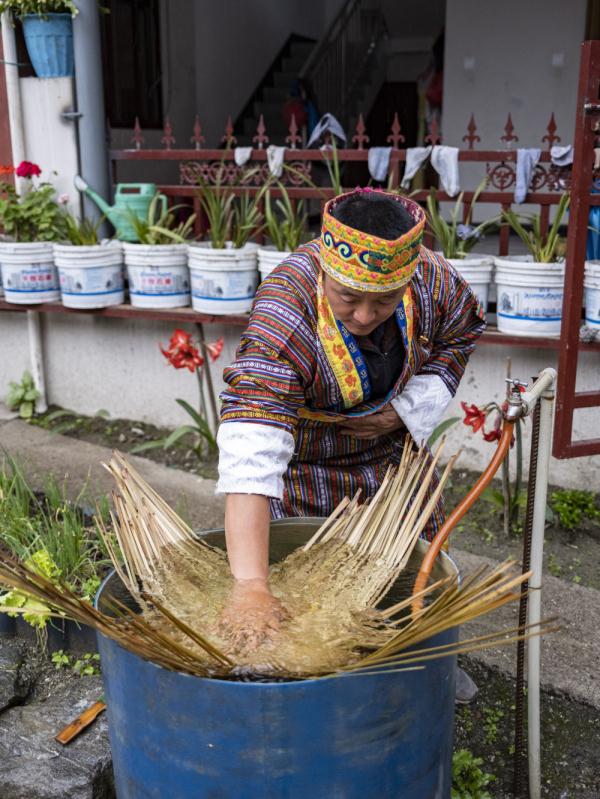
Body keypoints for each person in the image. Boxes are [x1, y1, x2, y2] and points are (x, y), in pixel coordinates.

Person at [216, 188, 485, 650]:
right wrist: (250, 587)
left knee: (414, 578)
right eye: (348, 298)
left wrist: (403, 413)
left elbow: (462, 331)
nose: (364, 315)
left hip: (395, 463)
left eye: (383, 301)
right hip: (308, 468)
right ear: (324, 269)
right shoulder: (284, 313)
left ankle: (427, 657)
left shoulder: (432, 281)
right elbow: (251, 448)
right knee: (308, 599)